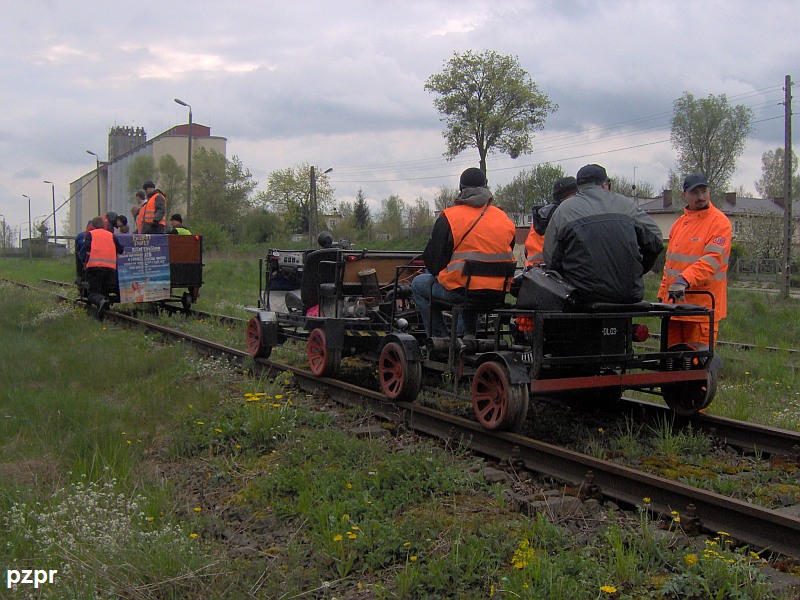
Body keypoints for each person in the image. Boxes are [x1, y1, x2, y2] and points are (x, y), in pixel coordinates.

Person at [411, 167, 516, 338]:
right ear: (486, 187)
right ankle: (466, 334)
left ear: (461, 189)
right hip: (497, 293)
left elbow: (433, 261)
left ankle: (439, 339)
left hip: (463, 292)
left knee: (418, 284)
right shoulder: (504, 219)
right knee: (471, 283)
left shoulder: (450, 217)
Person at [543, 164, 664, 305]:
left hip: (580, 296)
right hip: (628, 294)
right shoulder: (626, 205)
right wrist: (636, 270)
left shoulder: (564, 210)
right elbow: (656, 241)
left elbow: (551, 259)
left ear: (579, 187)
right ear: (605, 184)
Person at [657, 174, 731, 347]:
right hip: (674, 309)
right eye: (695, 192)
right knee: (671, 365)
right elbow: (670, 265)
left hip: (701, 309)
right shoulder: (679, 224)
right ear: (684, 196)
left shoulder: (719, 223)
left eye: (704, 191)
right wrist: (662, 295)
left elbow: (712, 261)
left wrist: (684, 280)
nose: (701, 197)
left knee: (695, 367)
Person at [524, 176, 578, 268]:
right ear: (567, 197)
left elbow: (526, 251)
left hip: (533, 272)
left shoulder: (543, 215)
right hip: (549, 273)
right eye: (576, 194)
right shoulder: (564, 216)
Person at [83, 215, 124, 318]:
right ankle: (103, 314)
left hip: (95, 267)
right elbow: (120, 250)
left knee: (93, 293)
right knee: (105, 290)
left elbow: (87, 250)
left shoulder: (90, 234)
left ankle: (102, 301)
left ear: (93, 225)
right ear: (104, 225)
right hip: (110, 269)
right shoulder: (111, 235)